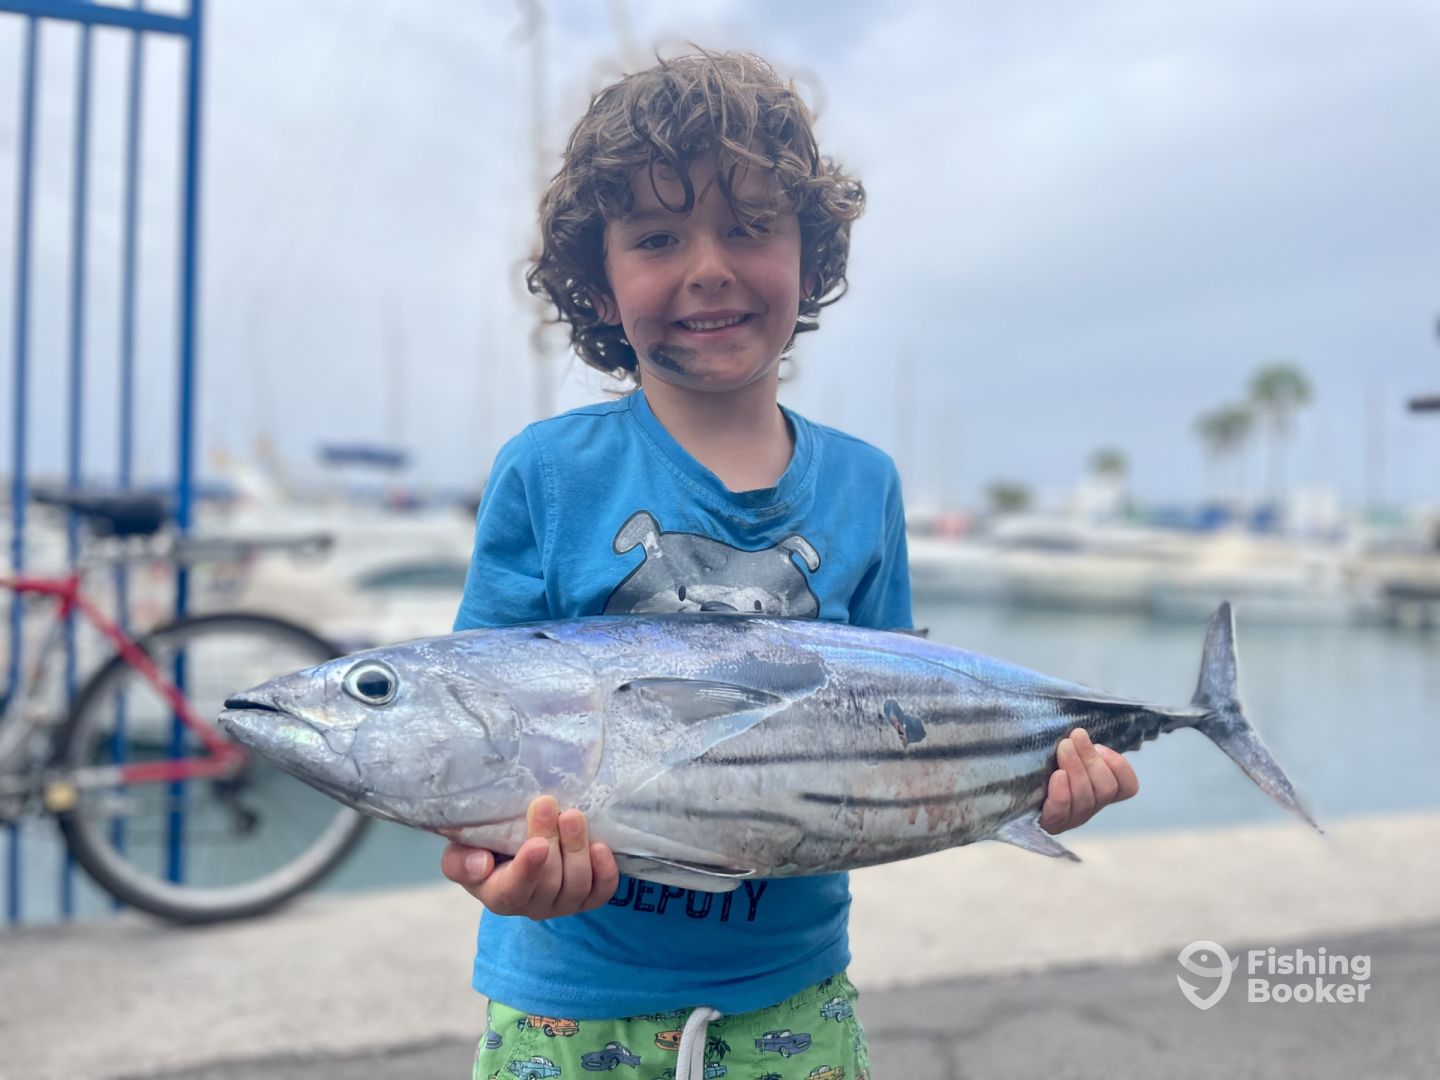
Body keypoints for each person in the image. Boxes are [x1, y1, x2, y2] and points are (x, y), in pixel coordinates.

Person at [443, 49, 1139, 1080]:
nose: (708, 266)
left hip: (791, 995)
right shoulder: (546, 474)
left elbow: (905, 735)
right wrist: (496, 869)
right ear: (599, 283)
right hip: (568, 1002)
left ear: (811, 264)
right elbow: (474, 731)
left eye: (750, 226)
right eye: (657, 237)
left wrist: (1024, 786)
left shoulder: (865, 484)